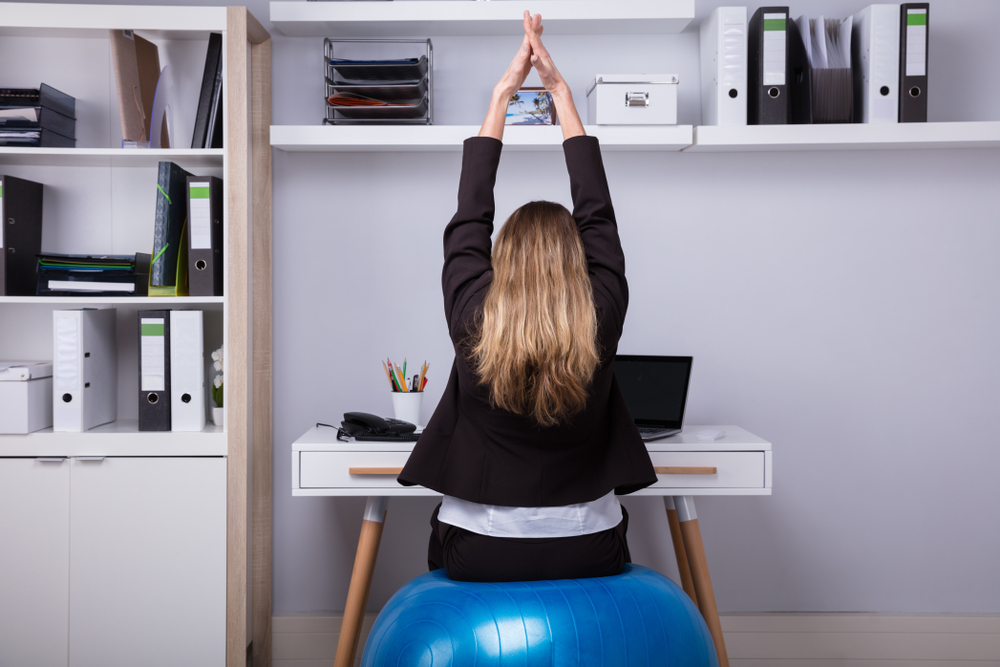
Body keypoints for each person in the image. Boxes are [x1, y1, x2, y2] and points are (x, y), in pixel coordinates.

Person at [398, 12, 657, 582]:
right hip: (592, 550)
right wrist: (561, 96)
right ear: (578, 262)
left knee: (442, 538)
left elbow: (470, 215)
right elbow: (598, 217)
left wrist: (501, 98)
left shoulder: (473, 316)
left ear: (500, 261)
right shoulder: (600, 315)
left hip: (480, 551)